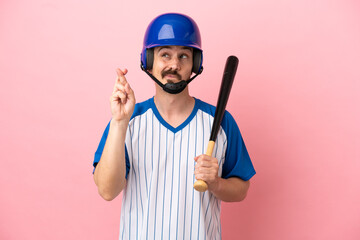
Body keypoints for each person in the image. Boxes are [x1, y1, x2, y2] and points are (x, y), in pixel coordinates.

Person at [93, 13, 256, 239]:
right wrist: (119, 122)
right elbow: (107, 191)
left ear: (195, 64)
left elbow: (241, 190)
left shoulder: (220, 121)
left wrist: (216, 183)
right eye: (165, 54)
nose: (174, 65)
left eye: (183, 56)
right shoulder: (128, 120)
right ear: (149, 62)